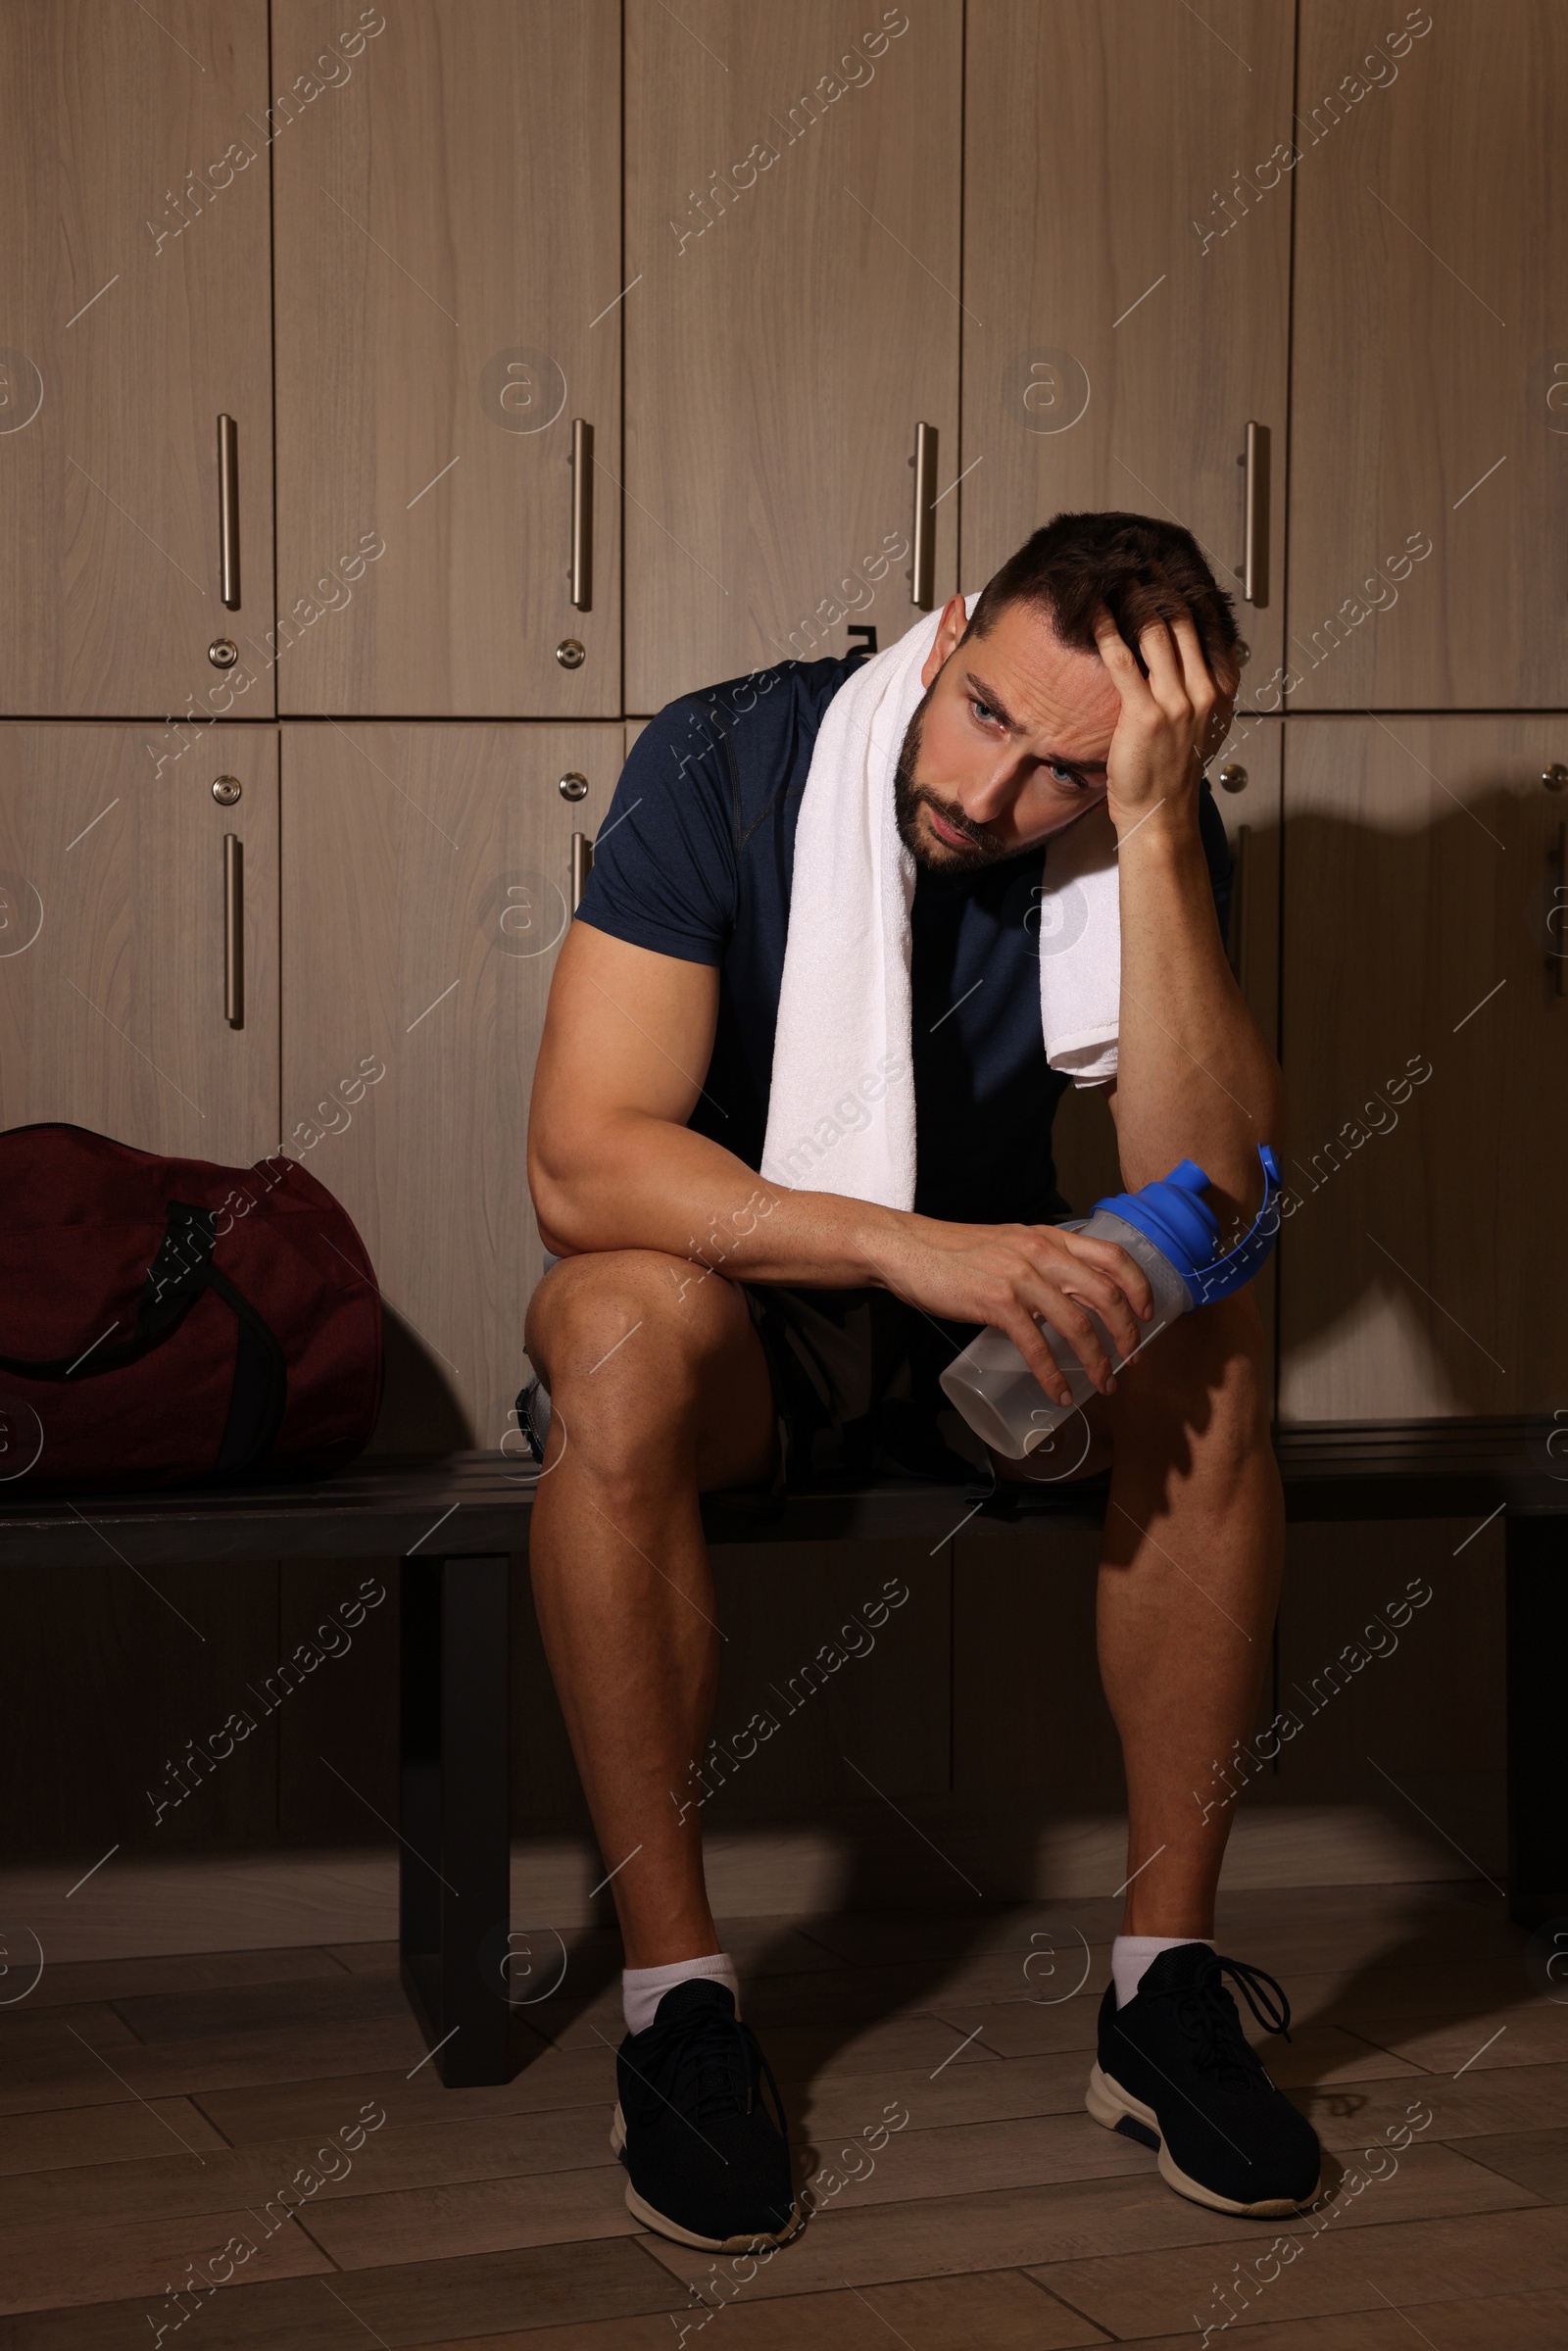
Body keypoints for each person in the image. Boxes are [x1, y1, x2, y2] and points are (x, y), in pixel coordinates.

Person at [521, 512, 1322, 2251]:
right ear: (948, 628)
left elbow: (1216, 1200)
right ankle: (679, 2006)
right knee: (606, 1327)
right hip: (756, 1297)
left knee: (1217, 1328)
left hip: (995, 1311)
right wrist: (906, 1246)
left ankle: (1160, 1990)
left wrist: (1159, 833)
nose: (989, 790)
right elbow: (584, 1166)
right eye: (982, 713)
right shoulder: (732, 753)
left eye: (1067, 774)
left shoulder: (1145, 828)